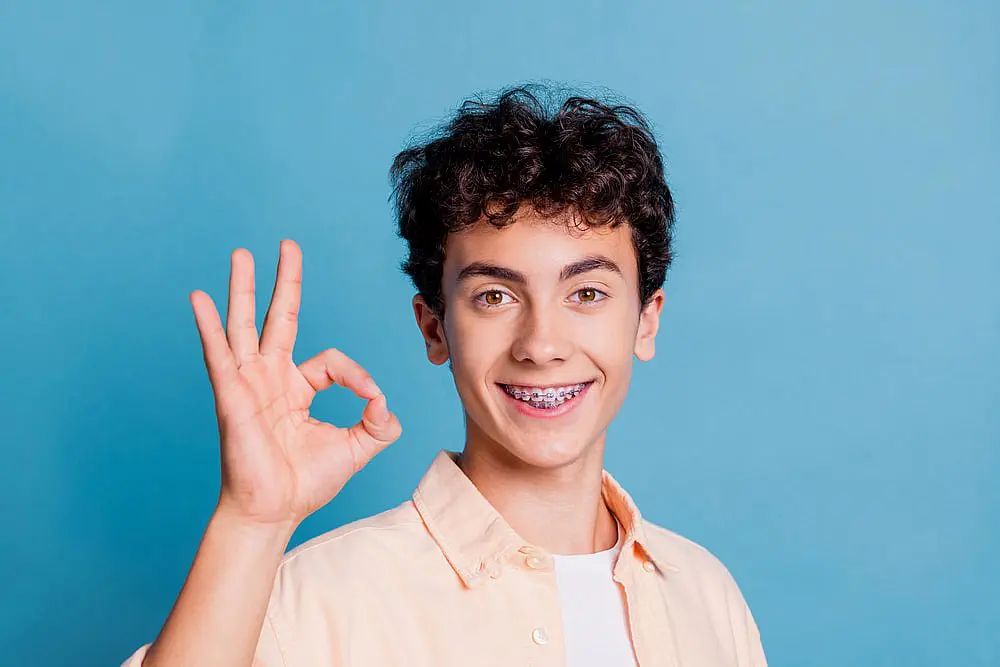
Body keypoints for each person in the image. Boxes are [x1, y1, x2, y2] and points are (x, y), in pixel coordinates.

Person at [123, 85, 767, 667]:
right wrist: (251, 523)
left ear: (646, 320)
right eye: (495, 296)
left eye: (588, 293)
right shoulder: (319, 599)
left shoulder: (707, 597)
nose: (541, 345)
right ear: (435, 328)